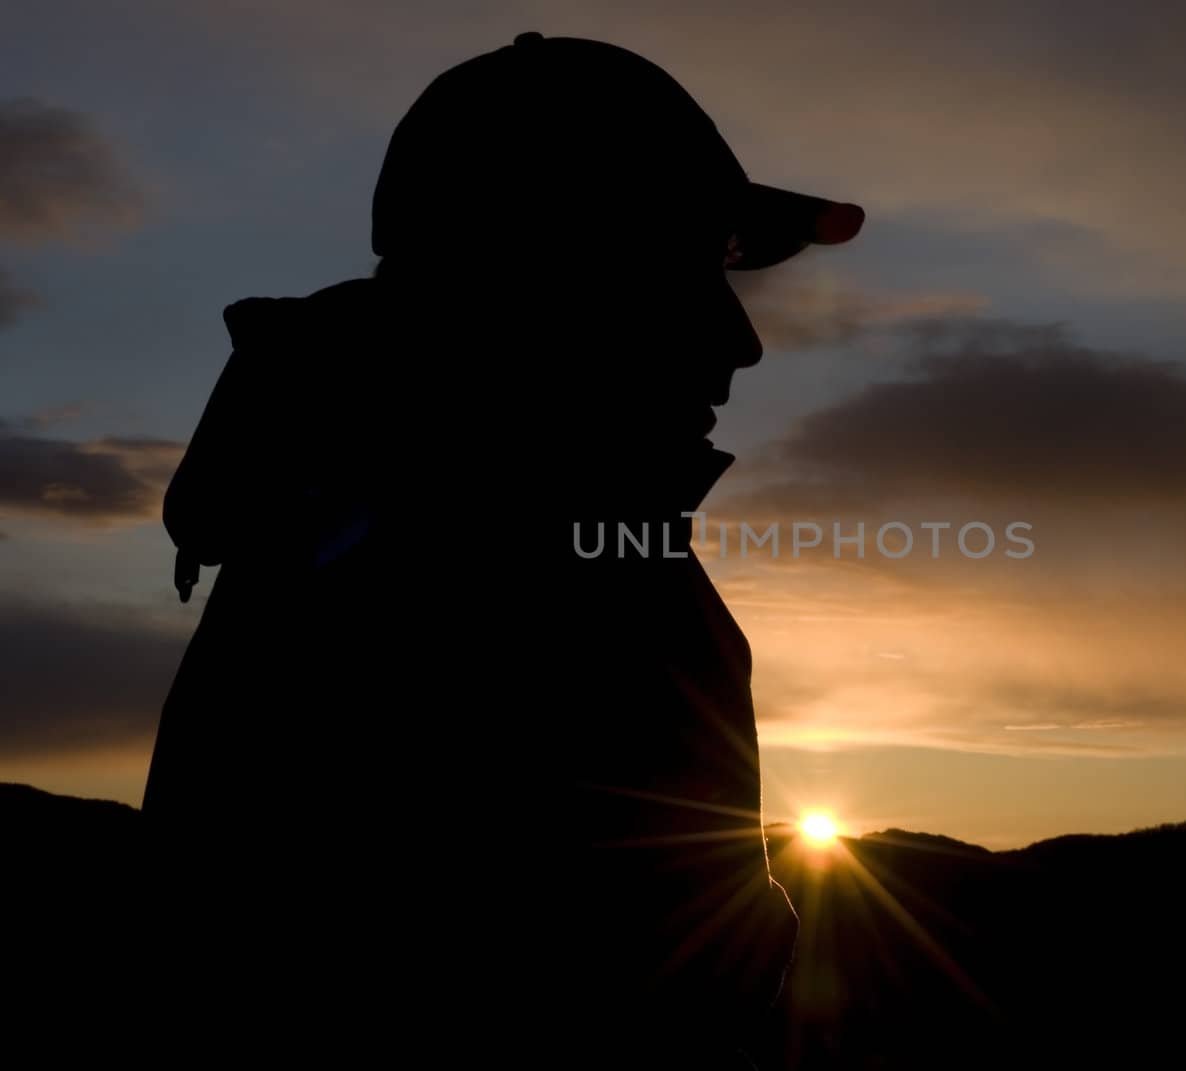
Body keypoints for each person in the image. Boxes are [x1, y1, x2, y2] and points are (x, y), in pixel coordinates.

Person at [140, 31, 864, 1061]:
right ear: (542, 262)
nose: (740, 338)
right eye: (685, 262)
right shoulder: (502, 571)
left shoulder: (392, 519)